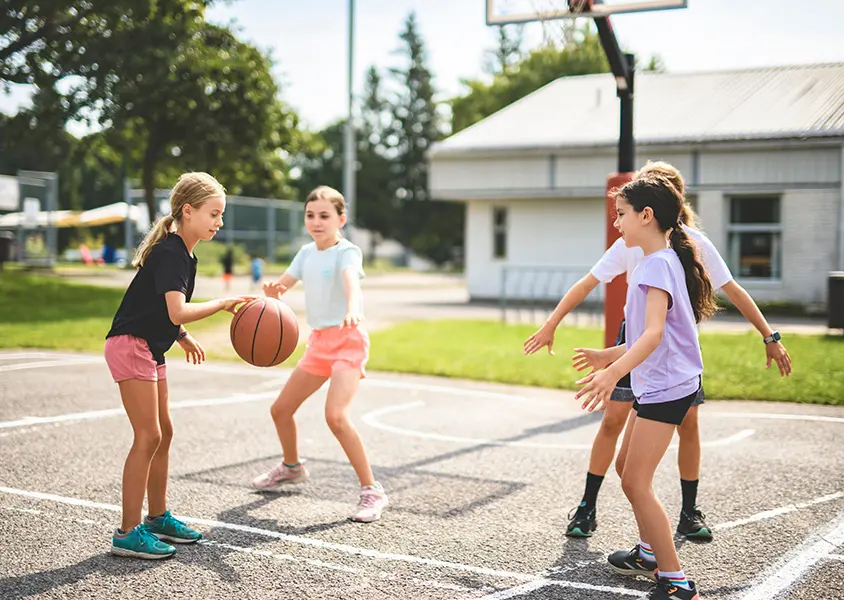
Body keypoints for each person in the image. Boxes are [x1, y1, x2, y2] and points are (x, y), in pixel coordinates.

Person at [524, 161, 792, 541]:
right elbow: (588, 283)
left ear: (660, 204)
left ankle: (687, 513)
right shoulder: (630, 241)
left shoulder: (690, 244)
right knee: (614, 425)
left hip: (670, 349)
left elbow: (732, 290)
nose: (620, 218)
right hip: (635, 339)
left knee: (686, 426)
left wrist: (769, 336)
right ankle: (588, 506)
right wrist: (551, 324)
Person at [575, 173, 715, 599]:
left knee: (635, 482)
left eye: (621, 214)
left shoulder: (656, 265)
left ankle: (676, 581)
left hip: (668, 386)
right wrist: (608, 355)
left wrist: (612, 373)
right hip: (661, 383)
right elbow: (648, 336)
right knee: (626, 469)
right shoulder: (661, 260)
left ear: (646, 215)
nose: (616, 222)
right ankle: (650, 553)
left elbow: (653, 335)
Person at [105, 172, 252, 559]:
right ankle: (127, 532)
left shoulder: (184, 254)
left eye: (221, 215)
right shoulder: (172, 252)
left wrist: (182, 336)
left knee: (164, 433)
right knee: (148, 436)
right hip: (131, 344)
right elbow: (176, 310)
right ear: (188, 211)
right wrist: (221, 304)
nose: (219, 222)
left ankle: (156, 517)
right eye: (213, 214)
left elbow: (161, 308)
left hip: (149, 346)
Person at [251, 185, 388, 523]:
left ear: (341, 218)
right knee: (281, 409)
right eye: (310, 215)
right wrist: (272, 292)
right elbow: (282, 286)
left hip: (348, 341)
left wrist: (353, 307)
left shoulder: (348, 252)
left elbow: (350, 282)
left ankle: (372, 490)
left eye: (324, 216)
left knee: (335, 416)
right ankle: (292, 468)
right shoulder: (306, 253)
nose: (316, 222)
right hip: (319, 345)